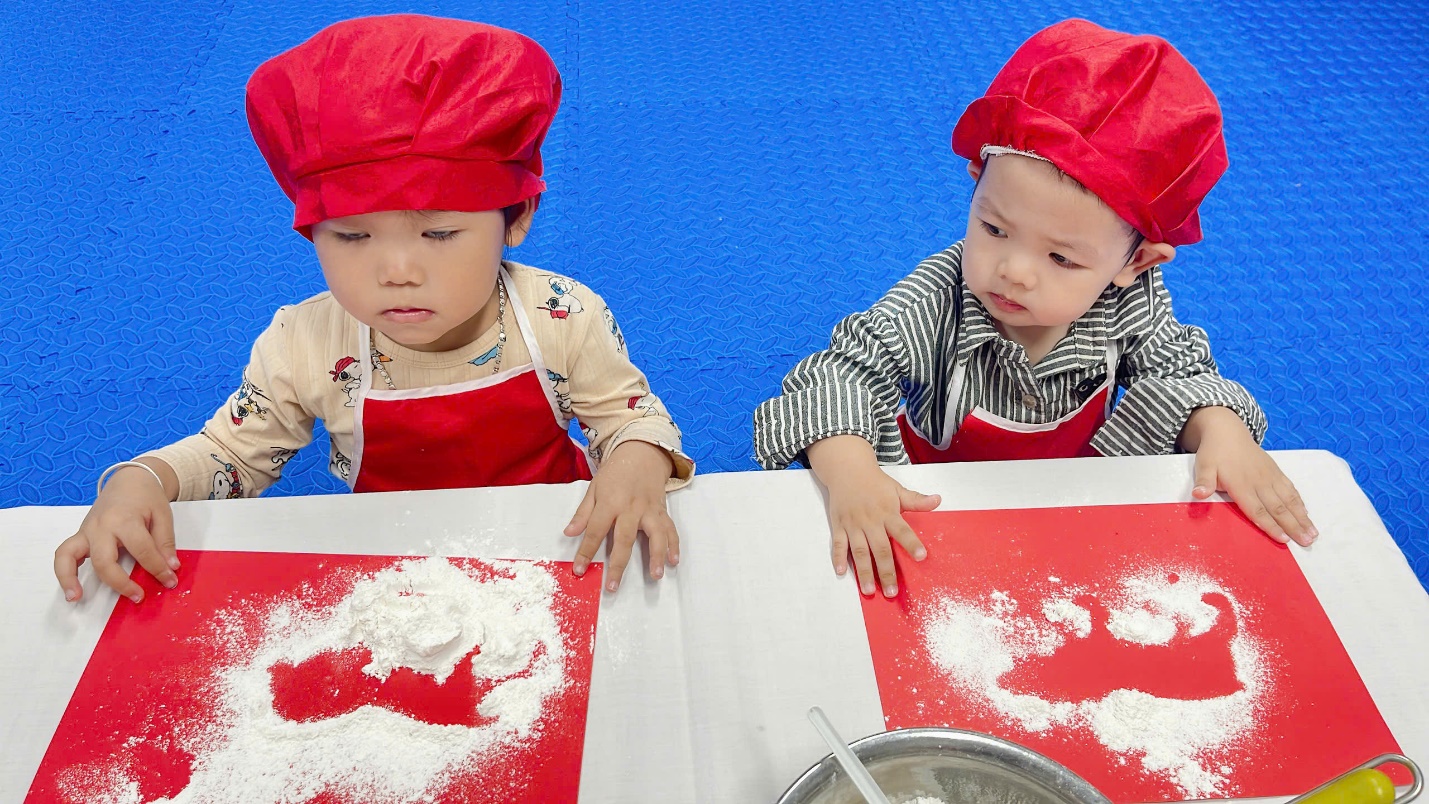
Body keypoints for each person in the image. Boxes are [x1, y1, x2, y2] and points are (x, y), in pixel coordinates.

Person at [54, 15, 693, 604]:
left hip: (556, 542)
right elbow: (231, 456)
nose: (397, 272)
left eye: (438, 235)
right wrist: (140, 479)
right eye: (353, 237)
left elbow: (631, 419)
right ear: (311, 232)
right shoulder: (303, 342)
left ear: (517, 217)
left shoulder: (561, 314)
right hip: (394, 566)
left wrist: (635, 461)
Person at [752, 19, 1315, 598]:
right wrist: (850, 472)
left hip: (1068, 513)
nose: (1014, 271)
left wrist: (1222, 431)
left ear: (1137, 262)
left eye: (1062, 259)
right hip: (933, 516)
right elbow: (840, 374)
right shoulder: (938, 298)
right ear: (976, 179)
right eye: (994, 227)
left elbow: (1179, 371)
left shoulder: (1130, 305)